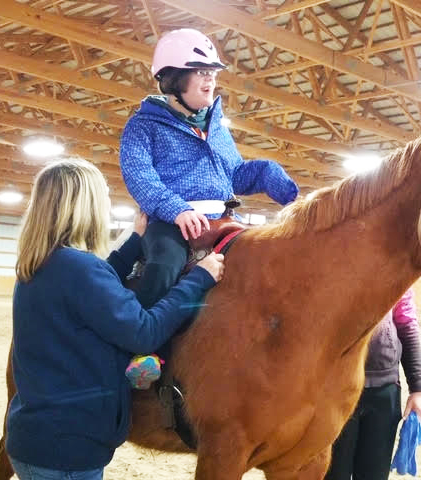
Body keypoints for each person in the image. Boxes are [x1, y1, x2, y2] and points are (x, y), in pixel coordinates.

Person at [5, 158, 224, 480]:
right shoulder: (78, 269)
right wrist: (199, 279)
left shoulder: (39, 265)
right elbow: (144, 331)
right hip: (68, 453)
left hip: (38, 438)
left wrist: (135, 241)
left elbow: (95, 288)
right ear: (86, 207)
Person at [119, 27, 299, 387]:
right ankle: (144, 349)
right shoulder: (143, 126)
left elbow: (234, 175)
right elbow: (139, 177)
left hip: (224, 219)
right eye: (202, 73)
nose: (210, 81)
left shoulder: (217, 126)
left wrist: (275, 180)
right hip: (173, 222)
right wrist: (176, 209)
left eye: (213, 74)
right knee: (165, 264)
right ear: (173, 79)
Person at [325, 289, 421, 480]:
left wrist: (418, 389)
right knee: (333, 475)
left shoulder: (398, 268)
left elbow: (407, 324)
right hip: (336, 391)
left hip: (384, 391)